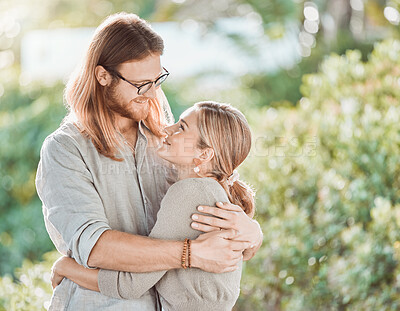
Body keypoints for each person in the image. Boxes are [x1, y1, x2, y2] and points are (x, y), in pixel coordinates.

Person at [35, 12, 263, 311]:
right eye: (142, 84)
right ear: (103, 76)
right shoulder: (65, 150)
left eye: (158, 80)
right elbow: (97, 247)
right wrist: (189, 254)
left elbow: (211, 198)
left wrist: (251, 234)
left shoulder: (162, 138)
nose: (154, 93)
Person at [51, 101, 255, 311]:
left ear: (204, 154)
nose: (167, 129)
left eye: (182, 127)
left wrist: (66, 267)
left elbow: (130, 285)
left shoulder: (188, 193)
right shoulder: (213, 191)